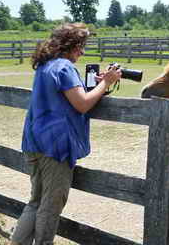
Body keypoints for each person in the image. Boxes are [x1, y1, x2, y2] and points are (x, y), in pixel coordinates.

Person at [10, 23, 121, 245]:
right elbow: (82, 104)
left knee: (36, 202)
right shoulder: (65, 67)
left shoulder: (46, 65)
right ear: (69, 45)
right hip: (55, 147)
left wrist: (98, 86)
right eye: (80, 46)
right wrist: (107, 82)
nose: (82, 51)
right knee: (50, 207)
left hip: (34, 142)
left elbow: (71, 98)